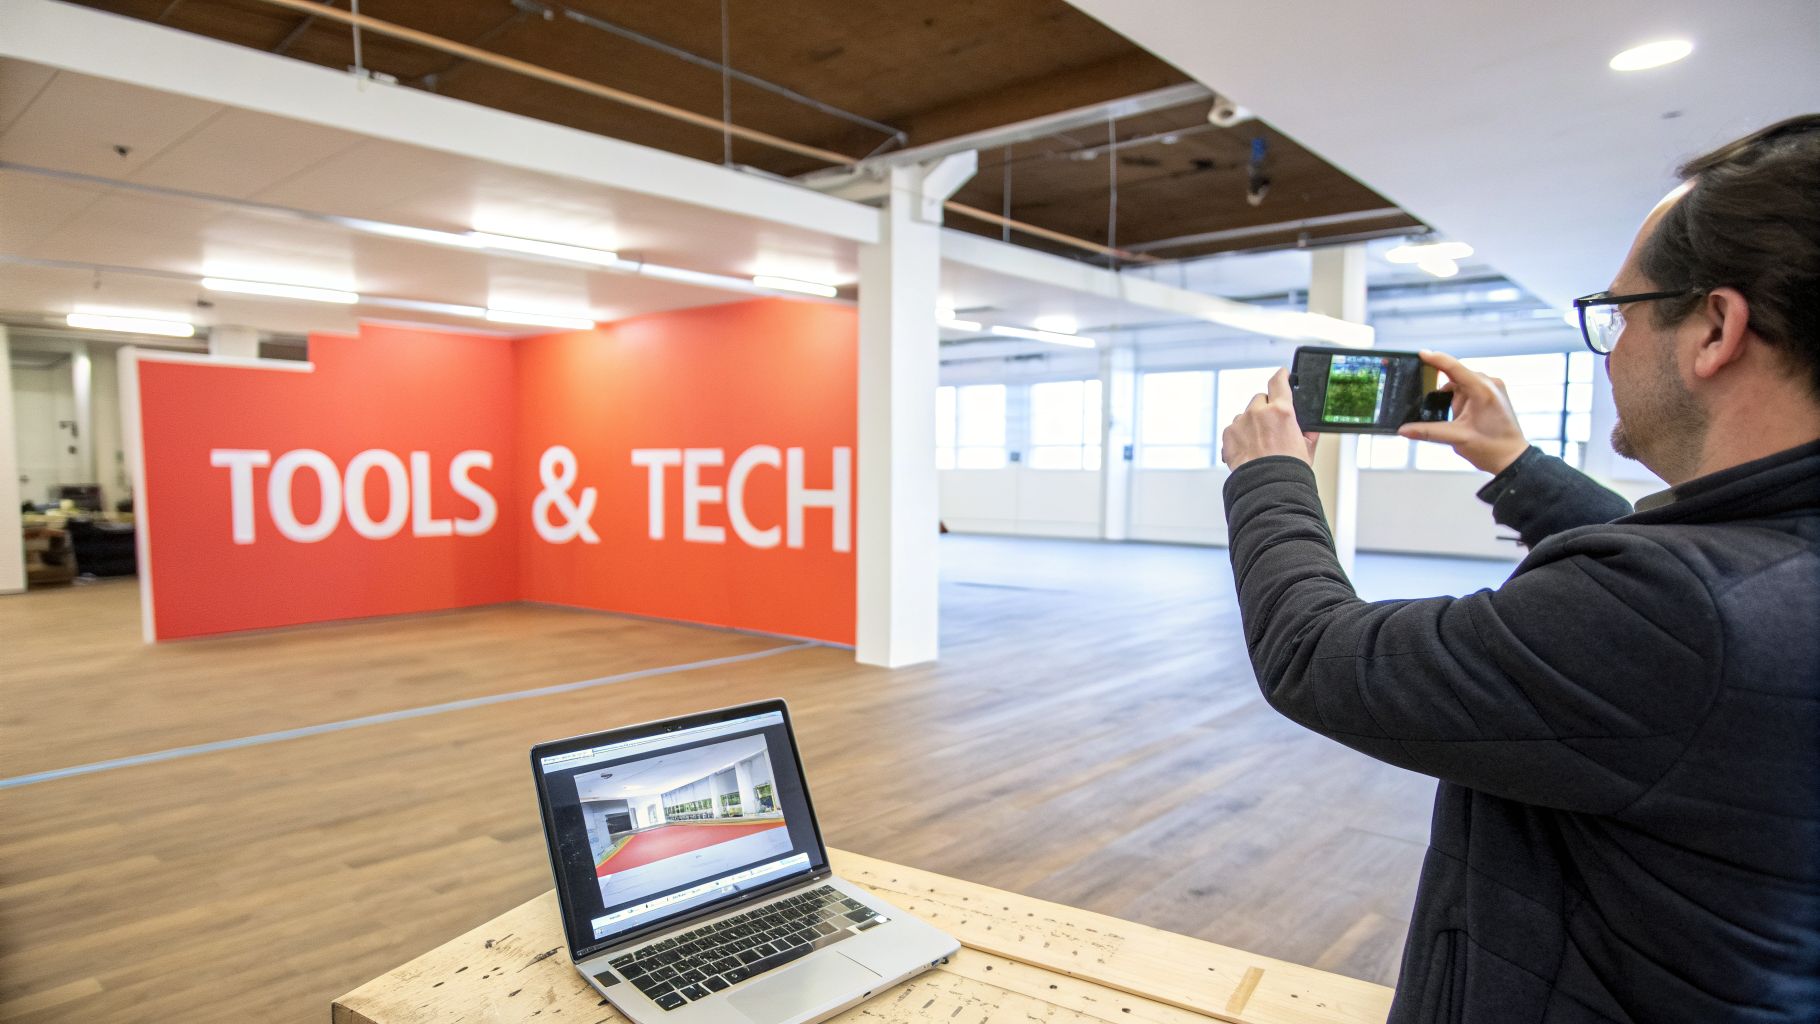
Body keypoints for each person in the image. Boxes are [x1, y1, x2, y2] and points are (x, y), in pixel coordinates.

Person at [1218, 116, 1820, 1023]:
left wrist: (1269, 478)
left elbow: (1316, 654)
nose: (1610, 345)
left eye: (1620, 313)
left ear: (1716, 329)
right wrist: (1517, 467)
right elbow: (1707, 590)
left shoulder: (1684, 616)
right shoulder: (1764, 575)